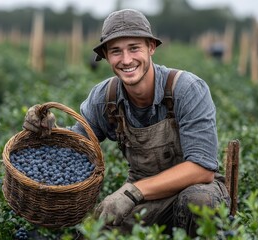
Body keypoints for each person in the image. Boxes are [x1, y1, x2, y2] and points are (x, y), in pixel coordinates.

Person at [23, 9, 230, 237]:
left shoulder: (186, 89)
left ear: (151, 47)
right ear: (105, 55)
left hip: (194, 189)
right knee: (94, 233)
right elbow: (76, 146)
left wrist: (131, 192)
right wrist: (49, 129)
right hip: (148, 199)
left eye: (134, 48)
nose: (126, 60)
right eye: (116, 51)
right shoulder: (105, 96)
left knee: (198, 201)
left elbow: (202, 169)